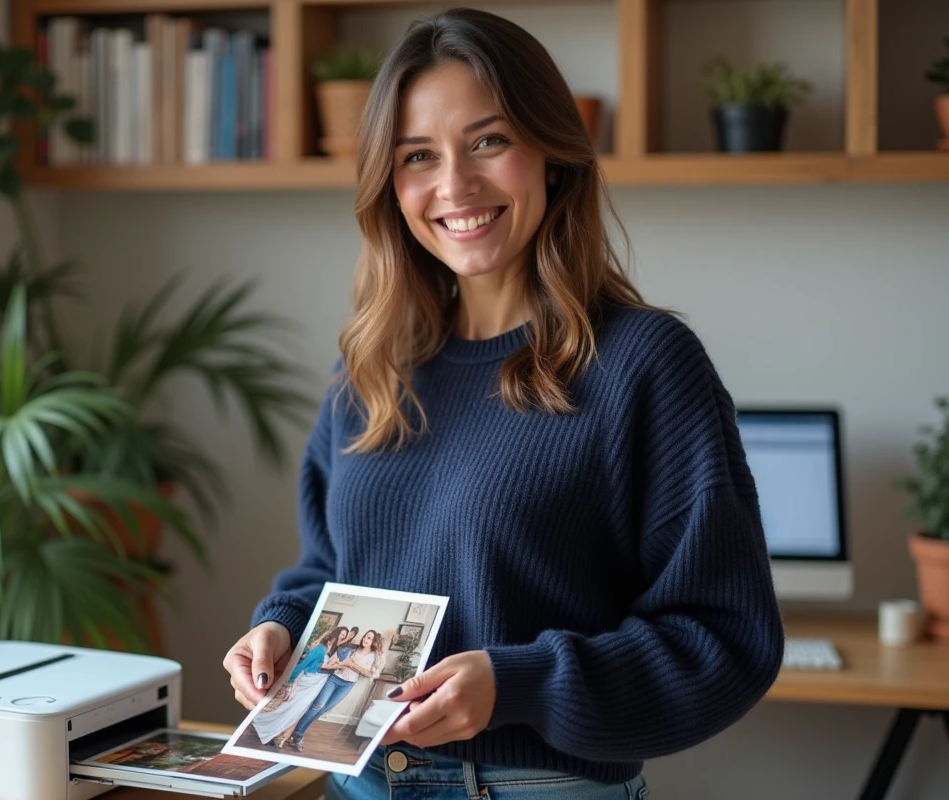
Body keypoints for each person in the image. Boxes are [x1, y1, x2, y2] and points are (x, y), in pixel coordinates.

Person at [223, 8, 783, 799]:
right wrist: (281, 624)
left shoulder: (645, 366)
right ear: (390, 184)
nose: (456, 185)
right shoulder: (369, 372)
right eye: (419, 155)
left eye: (488, 141)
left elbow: (726, 642)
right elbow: (333, 571)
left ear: (551, 153)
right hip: (356, 782)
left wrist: (518, 682)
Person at [286, 629, 384, 752]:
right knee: (318, 706)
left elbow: (369, 673)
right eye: (365, 636)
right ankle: (297, 734)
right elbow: (336, 660)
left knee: (325, 709)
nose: (365, 639)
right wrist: (344, 663)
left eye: (369, 638)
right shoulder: (352, 648)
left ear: (373, 641)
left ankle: (298, 735)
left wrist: (352, 664)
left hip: (347, 684)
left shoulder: (374, 656)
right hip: (334, 679)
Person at [250, 626, 350, 746]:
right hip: (308, 680)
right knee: (292, 706)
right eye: (341, 635)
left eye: (344, 637)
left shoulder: (334, 652)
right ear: (334, 634)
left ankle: (280, 735)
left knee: (299, 710)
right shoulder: (320, 648)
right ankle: (264, 724)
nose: (342, 638)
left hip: (318, 684)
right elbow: (307, 664)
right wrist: (291, 678)